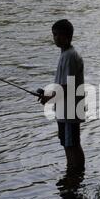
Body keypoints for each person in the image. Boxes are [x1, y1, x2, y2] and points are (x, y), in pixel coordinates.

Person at [38, 19, 85, 169]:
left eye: (58, 34)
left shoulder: (70, 56)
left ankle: (76, 173)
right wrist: (47, 94)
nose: (55, 38)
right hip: (64, 110)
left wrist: (48, 97)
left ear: (67, 36)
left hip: (70, 110)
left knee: (72, 144)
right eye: (54, 35)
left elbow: (69, 86)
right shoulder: (65, 54)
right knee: (67, 143)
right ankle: (72, 172)